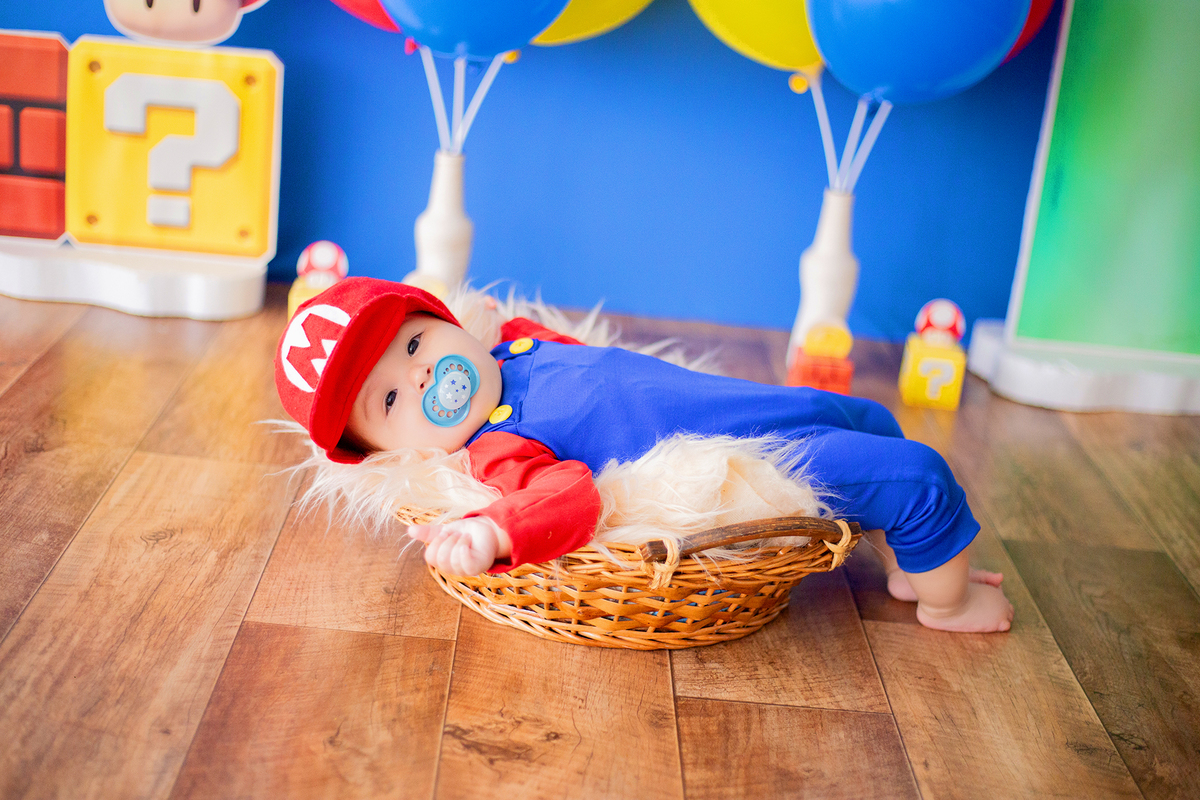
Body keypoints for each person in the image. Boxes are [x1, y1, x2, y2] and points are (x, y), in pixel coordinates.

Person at [275, 277, 1013, 633]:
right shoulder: (499, 450)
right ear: (388, 453)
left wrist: (500, 328)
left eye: (414, 343)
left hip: (760, 405)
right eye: (390, 400)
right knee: (920, 476)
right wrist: (493, 532)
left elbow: (574, 352)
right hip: (762, 459)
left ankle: (911, 564)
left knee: (873, 418)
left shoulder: (517, 345)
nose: (420, 376)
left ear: (446, 320)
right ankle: (949, 603)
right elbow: (563, 498)